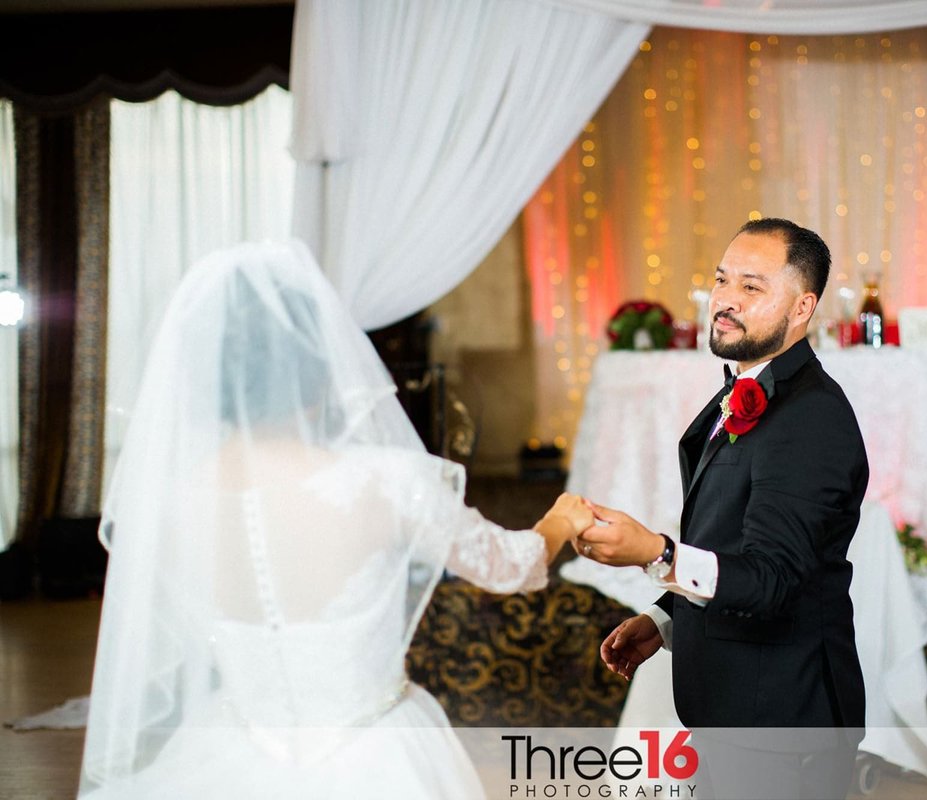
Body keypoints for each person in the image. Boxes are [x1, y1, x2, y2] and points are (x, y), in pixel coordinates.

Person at [78, 240, 590, 799]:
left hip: (228, 753)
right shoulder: (384, 481)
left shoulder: (170, 499)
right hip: (375, 755)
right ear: (321, 373)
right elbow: (509, 568)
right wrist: (561, 520)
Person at [575, 218, 869, 799]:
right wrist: (666, 618)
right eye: (722, 279)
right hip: (739, 708)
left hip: (784, 720)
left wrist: (656, 553)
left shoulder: (811, 419)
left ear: (802, 306)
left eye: (752, 288)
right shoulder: (744, 389)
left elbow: (773, 579)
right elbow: (729, 541)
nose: (726, 300)